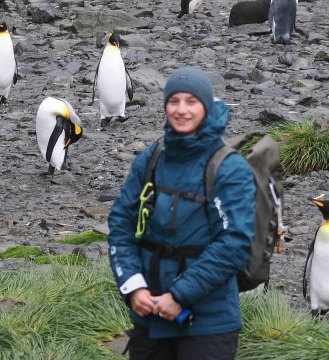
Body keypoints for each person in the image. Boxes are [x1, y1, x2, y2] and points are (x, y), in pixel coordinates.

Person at [108, 67, 256, 360]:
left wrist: (179, 295)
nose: (181, 110)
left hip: (208, 324)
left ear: (206, 106)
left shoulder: (229, 168)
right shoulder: (151, 158)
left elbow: (234, 244)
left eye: (191, 101)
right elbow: (121, 224)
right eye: (174, 101)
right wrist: (133, 286)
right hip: (149, 314)